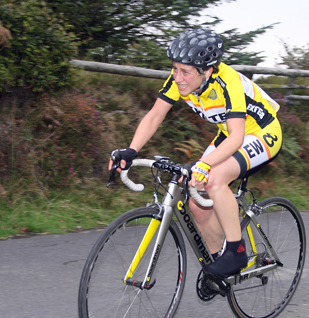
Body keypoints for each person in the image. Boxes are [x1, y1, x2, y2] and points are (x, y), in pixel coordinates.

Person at [109, 28, 283, 278]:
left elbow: (237, 136)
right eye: (175, 68)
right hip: (229, 133)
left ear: (207, 71)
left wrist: (204, 164)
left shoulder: (228, 81)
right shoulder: (179, 77)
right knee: (196, 200)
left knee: (213, 178)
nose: (177, 77)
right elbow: (156, 115)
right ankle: (219, 268)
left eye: (185, 72)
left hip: (262, 131)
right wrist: (131, 150)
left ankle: (237, 251)